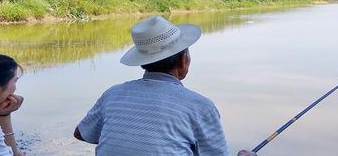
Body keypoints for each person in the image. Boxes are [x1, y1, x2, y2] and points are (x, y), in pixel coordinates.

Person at [74, 15, 257, 156]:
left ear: (143, 61)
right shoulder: (200, 107)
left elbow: (81, 134)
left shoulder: (113, 95)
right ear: (184, 60)